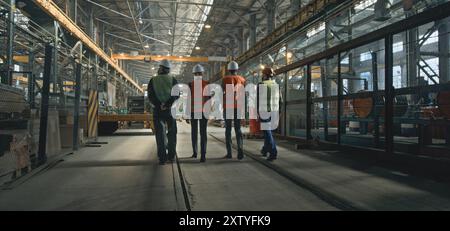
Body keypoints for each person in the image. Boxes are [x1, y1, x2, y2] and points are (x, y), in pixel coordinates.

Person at [147, 59, 179, 165]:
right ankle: (171, 156)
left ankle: (162, 158)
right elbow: (176, 95)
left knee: (160, 134)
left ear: (161, 68)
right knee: (172, 133)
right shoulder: (173, 80)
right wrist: (168, 104)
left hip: (158, 111)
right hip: (170, 111)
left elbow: (150, 96)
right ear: (168, 69)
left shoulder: (153, 80)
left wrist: (159, 104)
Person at [223, 61, 246, 160]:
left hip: (228, 106)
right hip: (238, 106)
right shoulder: (242, 79)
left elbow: (221, 91)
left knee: (228, 129)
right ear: (237, 69)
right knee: (238, 129)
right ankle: (240, 150)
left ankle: (229, 153)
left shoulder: (225, 79)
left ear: (229, 69)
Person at [258, 67, 282, 161]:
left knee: (267, 132)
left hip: (264, 111)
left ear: (264, 75)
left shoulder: (261, 84)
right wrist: (279, 112)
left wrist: (257, 112)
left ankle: (273, 152)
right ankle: (264, 150)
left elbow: (258, 100)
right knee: (267, 131)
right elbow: (281, 100)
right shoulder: (277, 85)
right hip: (274, 111)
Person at [189, 64, 209, 162]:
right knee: (203, 133)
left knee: (194, 132)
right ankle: (203, 155)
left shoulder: (190, 84)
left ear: (194, 74)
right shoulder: (207, 84)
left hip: (193, 111)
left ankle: (195, 152)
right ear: (202, 73)